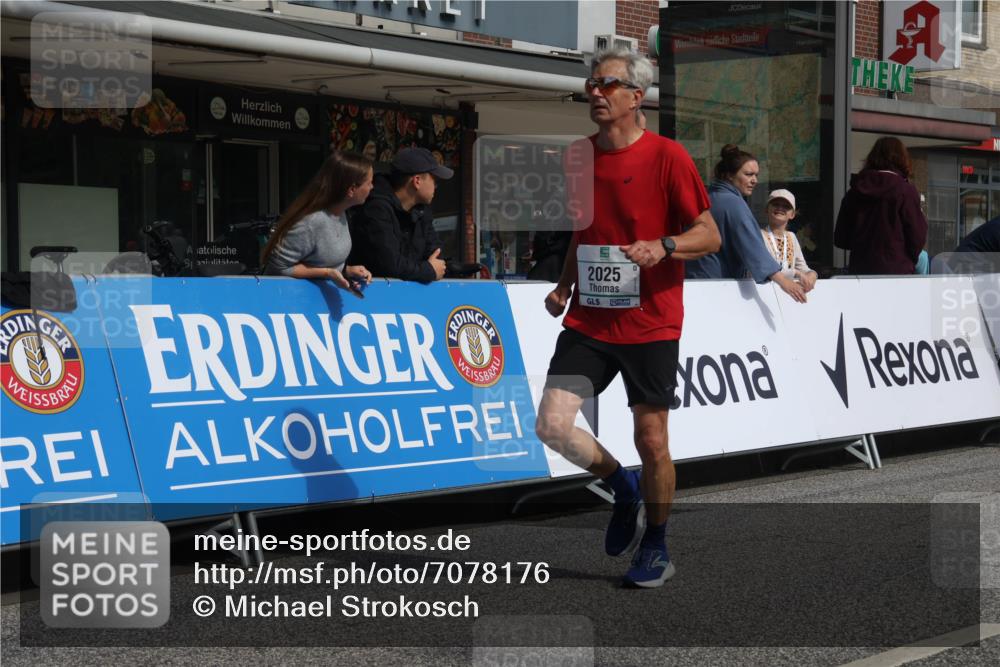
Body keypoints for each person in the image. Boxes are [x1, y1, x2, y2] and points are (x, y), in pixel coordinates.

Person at [535, 47, 721, 588]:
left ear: (635, 97)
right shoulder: (578, 156)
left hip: (650, 323)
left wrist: (665, 245)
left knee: (653, 439)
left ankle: (657, 544)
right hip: (589, 322)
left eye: (607, 84)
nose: (595, 92)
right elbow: (582, 230)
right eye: (591, 84)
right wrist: (565, 286)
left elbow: (710, 234)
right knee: (551, 425)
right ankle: (623, 487)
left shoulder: (669, 157)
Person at [685, 145, 806, 303]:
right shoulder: (734, 204)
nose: (754, 180)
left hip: (691, 283)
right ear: (729, 175)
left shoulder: (706, 198)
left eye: (756, 175)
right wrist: (784, 282)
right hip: (718, 287)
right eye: (748, 174)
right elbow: (752, 248)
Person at [262, 150, 374, 297]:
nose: (372, 187)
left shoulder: (342, 213)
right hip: (286, 304)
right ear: (352, 189)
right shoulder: (312, 222)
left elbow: (319, 260)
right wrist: (327, 273)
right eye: (369, 182)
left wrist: (347, 270)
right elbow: (278, 267)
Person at [348, 147, 453, 283]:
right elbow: (389, 264)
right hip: (374, 298)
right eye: (435, 181)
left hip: (411, 299)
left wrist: (434, 268)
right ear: (417, 181)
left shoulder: (422, 210)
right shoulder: (376, 209)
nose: (436, 187)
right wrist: (427, 270)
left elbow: (436, 253)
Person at [834, 136, 927, 275]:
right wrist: (907, 258)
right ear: (902, 159)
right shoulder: (905, 191)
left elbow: (841, 238)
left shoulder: (854, 192)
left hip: (860, 271)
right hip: (897, 270)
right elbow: (917, 235)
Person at [760, 189, 817, 292]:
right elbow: (765, 268)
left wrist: (812, 274)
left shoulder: (792, 237)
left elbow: (802, 267)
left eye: (786, 206)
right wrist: (796, 273)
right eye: (776, 204)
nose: (780, 208)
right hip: (763, 292)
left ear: (792, 214)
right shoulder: (758, 236)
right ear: (766, 209)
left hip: (787, 295)